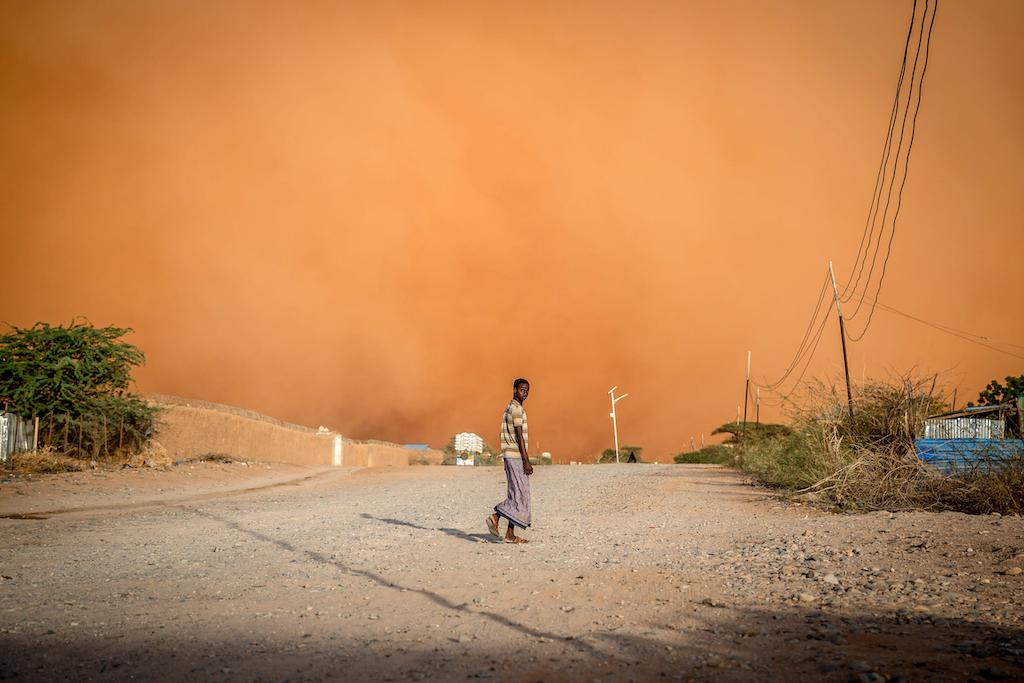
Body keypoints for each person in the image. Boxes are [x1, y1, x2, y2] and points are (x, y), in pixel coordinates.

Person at [487, 378, 533, 543]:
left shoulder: (510, 407)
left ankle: (510, 534)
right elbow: (519, 435)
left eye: (527, 390)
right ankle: (496, 515)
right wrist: (526, 460)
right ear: (514, 389)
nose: (525, 393)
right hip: (515, 457)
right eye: (522, 389)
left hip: (511, 456)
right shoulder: (516, 409)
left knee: (517, 493)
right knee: (521, 493)